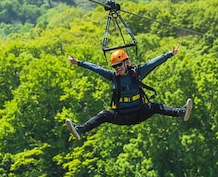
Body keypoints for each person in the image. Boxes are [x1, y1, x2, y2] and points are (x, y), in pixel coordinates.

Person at [65, 44, 193, 140]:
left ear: (126, 63)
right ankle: (80, 130)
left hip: (139, 112)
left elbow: (153, 63)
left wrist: (170, 54)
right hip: (122, 115)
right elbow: (97, 69)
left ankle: (181, 112)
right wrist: (78, 63)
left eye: (119, 65)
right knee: (104, 115)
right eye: (115, 66)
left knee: (155, 107)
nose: (117, 68)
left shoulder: (137, 73)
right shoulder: (113, 76)